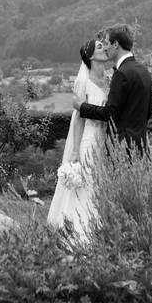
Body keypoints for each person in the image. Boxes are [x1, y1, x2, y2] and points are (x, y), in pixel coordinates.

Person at [46, 38, 110, 240]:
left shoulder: (108, 79)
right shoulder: (83, 81)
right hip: (88, 138)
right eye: (100, 47)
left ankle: (98, 224)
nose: (104, 48)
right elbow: (79, 118)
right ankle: (78, 230)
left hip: (104, 138)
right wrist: (74, 150)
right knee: (85, 182)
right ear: (90, 55)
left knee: (99, 182)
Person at [73, 24, 152, 151]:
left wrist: (82, 106)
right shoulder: (143, 71)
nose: (106, 48)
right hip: (140, 144)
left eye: (107, 44)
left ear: (115, 44)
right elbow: (149, 110)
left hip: (122, 146)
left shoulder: (122, 73)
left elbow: (109, 113)